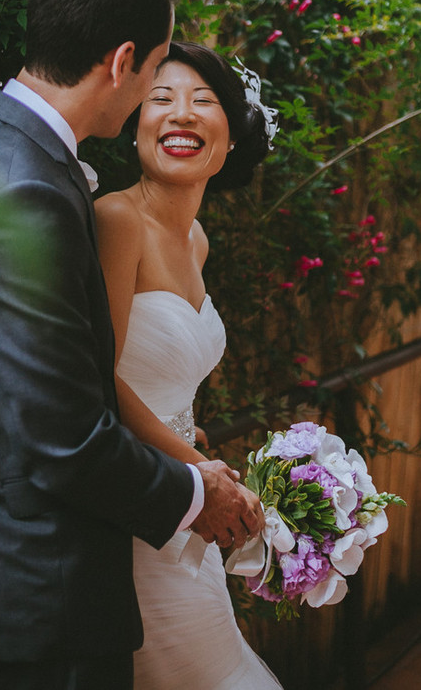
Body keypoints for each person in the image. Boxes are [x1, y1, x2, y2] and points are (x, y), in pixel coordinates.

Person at [0, 0, 262, 690]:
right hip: (29, 589)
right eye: (157, 73)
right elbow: (60, 432)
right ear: (123, 60)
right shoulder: (26, 186)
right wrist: (198, 493)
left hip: (11, 576)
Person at [95, 40, 282, 688]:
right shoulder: (115, 220)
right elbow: (95, 380)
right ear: (133, 123)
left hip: (190, 510)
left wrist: (195, 444)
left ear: (231, 137)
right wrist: (196, 467)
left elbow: (161, 378)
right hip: (139, 512)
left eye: (203, 101)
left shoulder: (196, 238)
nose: (181, 115)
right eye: (161, 99)